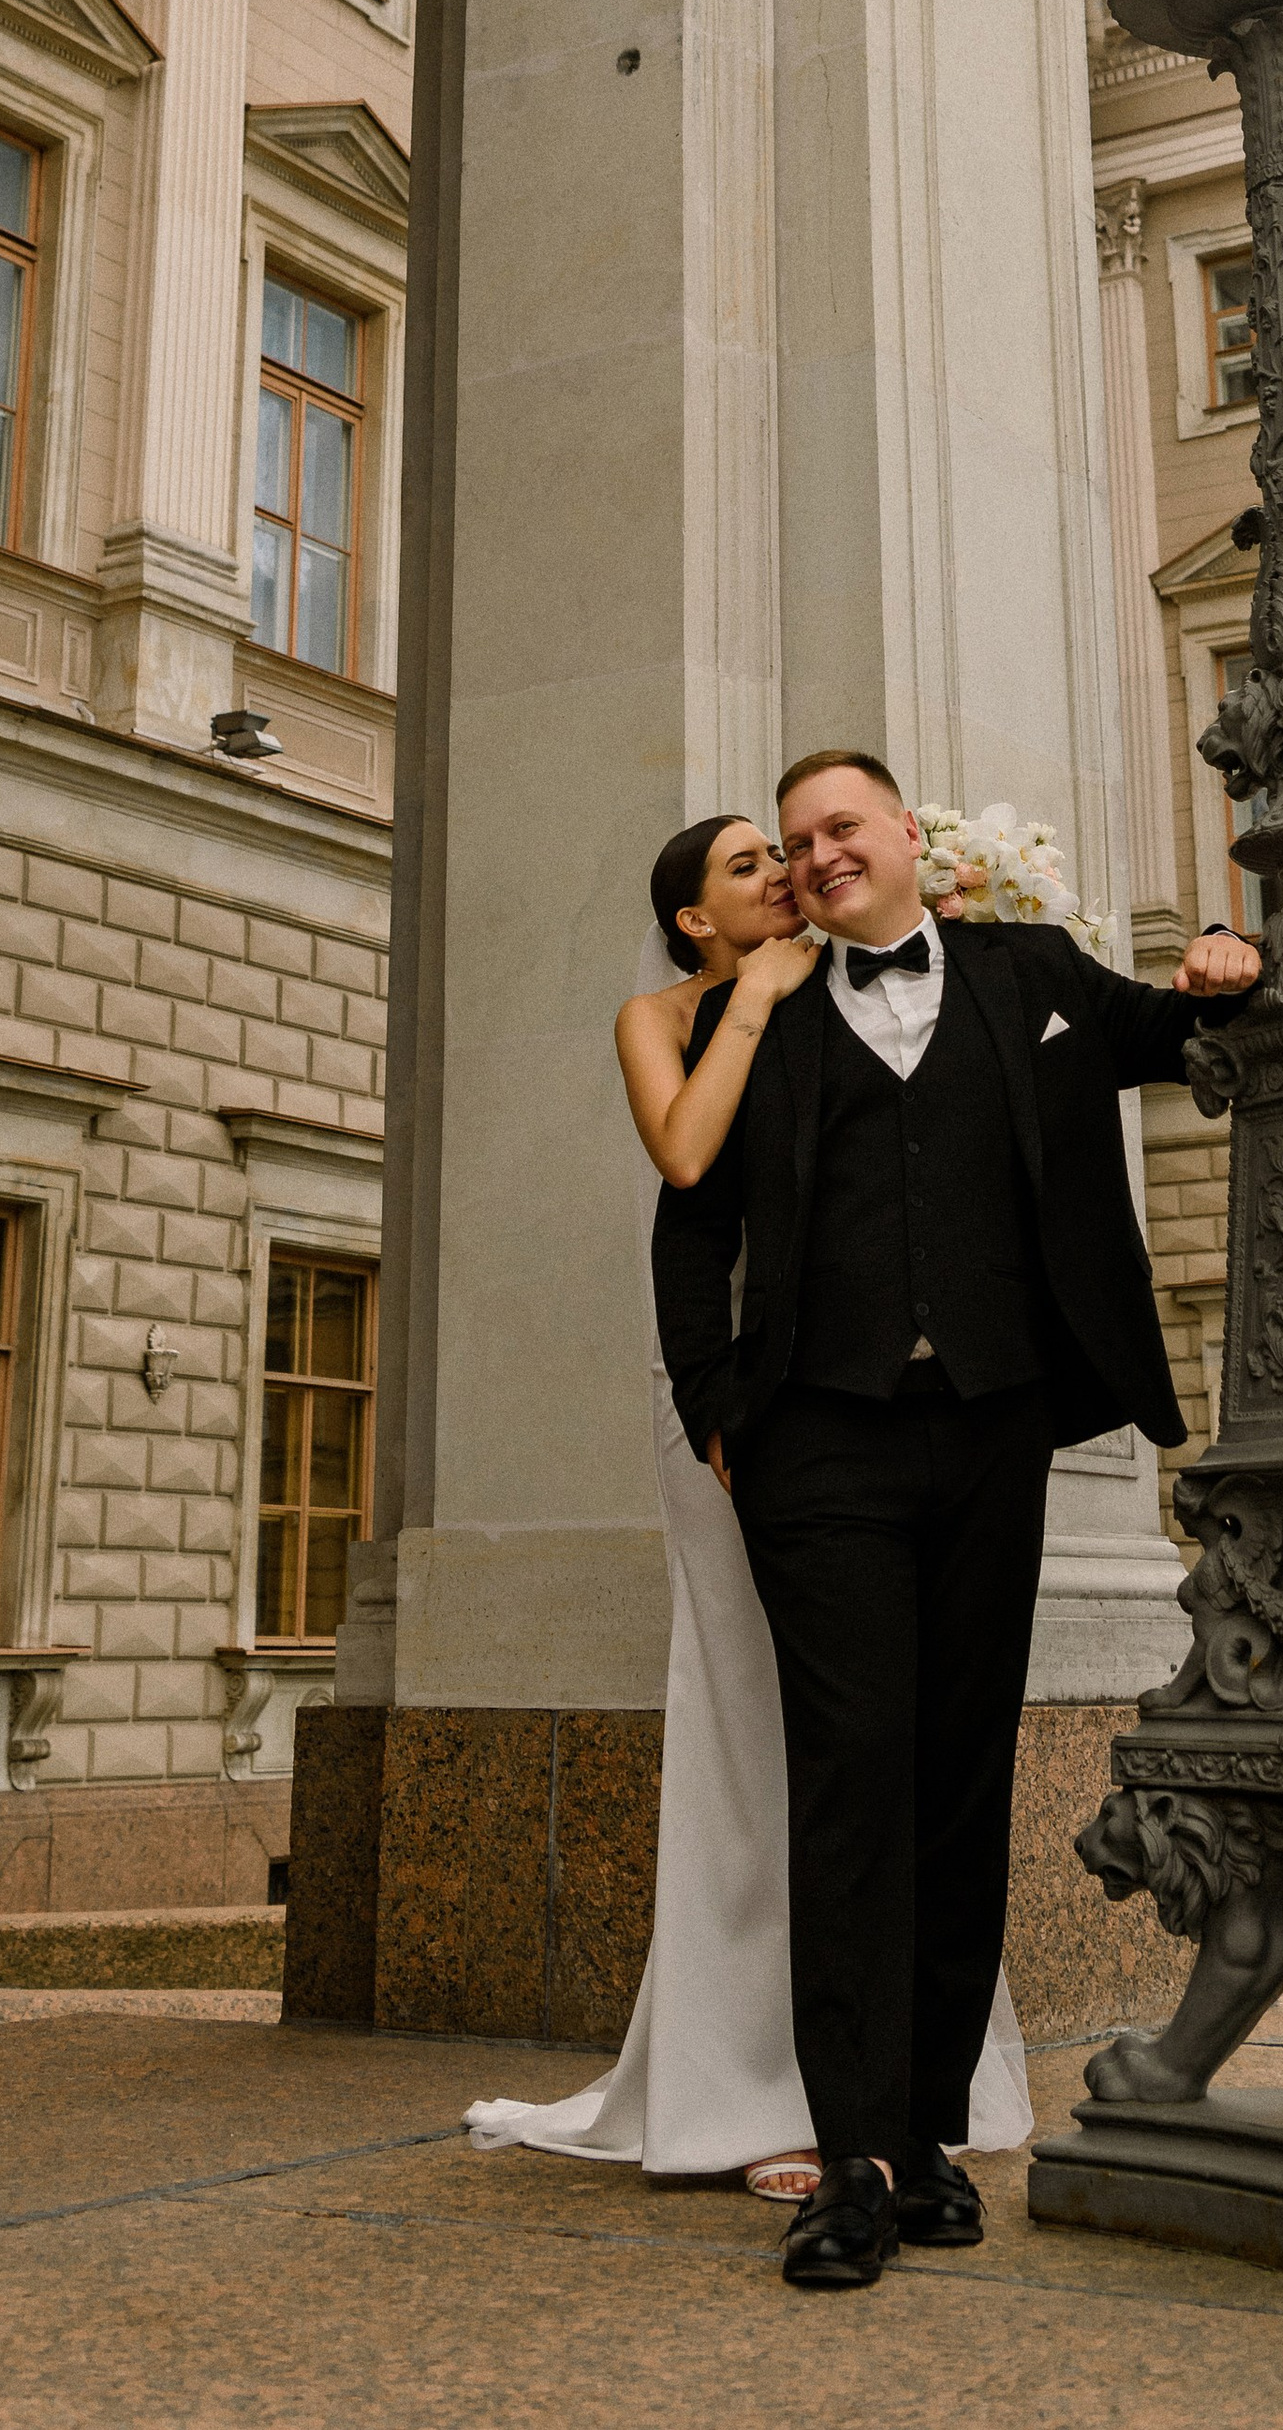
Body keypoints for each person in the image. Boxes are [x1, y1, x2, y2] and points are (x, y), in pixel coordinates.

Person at [652, 748, 1260, 2291]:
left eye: (841, 827)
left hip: (993, 1434)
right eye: (795, 843)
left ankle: (925, 2138)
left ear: (909, 837)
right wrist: (718, 1405)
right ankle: (849, 2160)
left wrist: (1225, 964)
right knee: (853, 1785)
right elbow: (694, 1216)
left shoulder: (1029, 971)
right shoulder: (760, 1018)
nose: (818, 855)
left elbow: (1169, 1032)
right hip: (819, 1452)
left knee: (957, 1780)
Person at [464, 813, 1035, 2193]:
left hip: (860, 1417)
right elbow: (685, 1169)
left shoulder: (856, 990)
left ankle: (907, 2079)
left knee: (874, 1737)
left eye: (780, 860)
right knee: (761, 1731)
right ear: (692, 923)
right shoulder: (661, 1015)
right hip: (732, 1414)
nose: (782, 878)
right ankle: (751, 2090)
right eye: (746, 869)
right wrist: (756, 999)